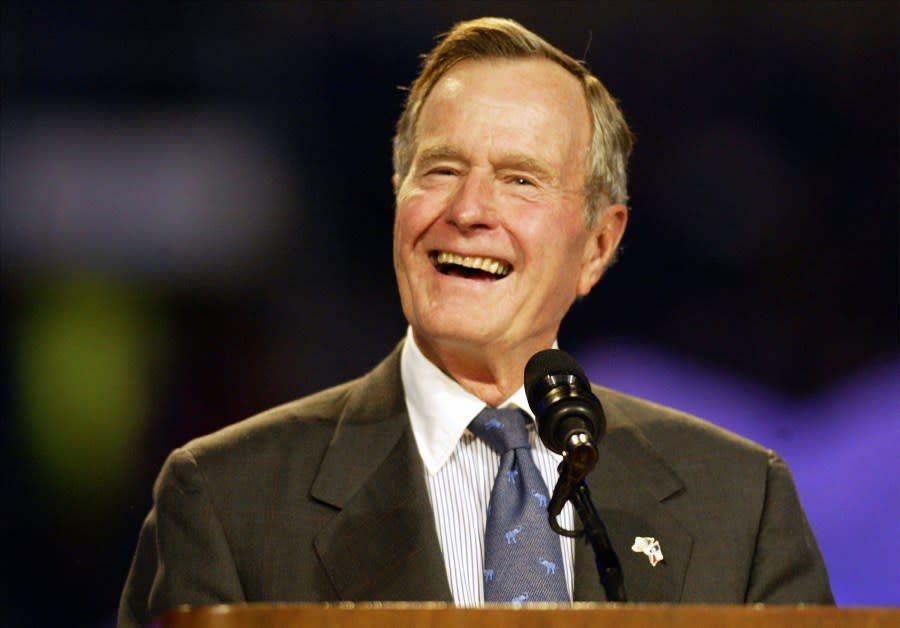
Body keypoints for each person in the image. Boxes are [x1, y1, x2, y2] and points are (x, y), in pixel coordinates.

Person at [118, 17, 833, 627]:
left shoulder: (739, 502)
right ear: (398, 201)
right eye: (439, 170)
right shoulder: (226, 500)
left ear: (597, 245)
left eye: (520, 179)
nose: (466, 211)